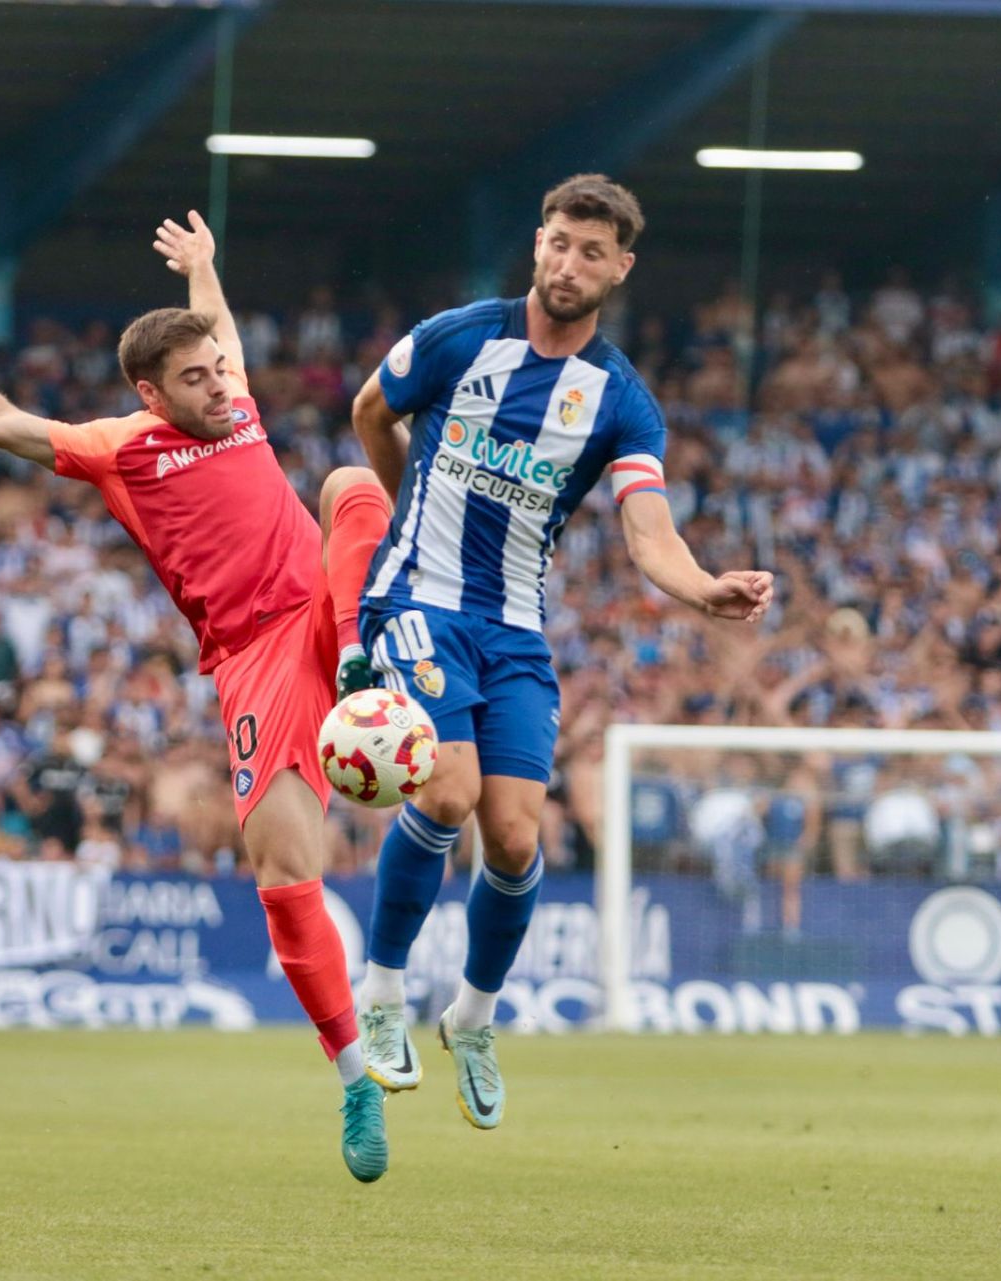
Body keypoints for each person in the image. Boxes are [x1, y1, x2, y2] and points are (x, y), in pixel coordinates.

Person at [0, 211, 396, 1182]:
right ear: (149, 392)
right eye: (197, 379)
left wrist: (207, 267)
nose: (220, 386)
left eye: (221, 370)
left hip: (330, 618)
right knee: (284, 874)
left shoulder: (238, 400)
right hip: (255, 654)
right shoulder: (122, 446)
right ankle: (354, 1079)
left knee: (349, 479)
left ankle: (369, 659)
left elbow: (223, 336)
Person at [347, 173, 773, 1129]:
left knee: (515, 835)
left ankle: (474, 1016)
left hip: (513, 627)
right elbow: (374, 407)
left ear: (620, 268)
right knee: (446, 793)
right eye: (558, 242)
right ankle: (379, 994)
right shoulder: (461, 336)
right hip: (416, 598)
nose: (569, 263)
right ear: (536, 243)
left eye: (592, 251)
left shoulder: (621, 402)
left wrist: (705, 586)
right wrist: (401, 508)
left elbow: (649, 533)